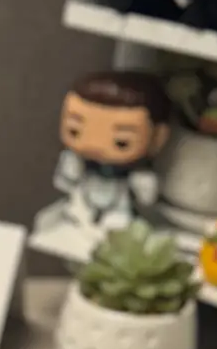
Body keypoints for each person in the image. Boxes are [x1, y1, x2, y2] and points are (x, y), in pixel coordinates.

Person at [54, 70, 172, 240]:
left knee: (117, 220)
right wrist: (70, 171)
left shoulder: (134, 174)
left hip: (119, 202)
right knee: (79, 208)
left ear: (158, 137)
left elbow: (146, 200)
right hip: (83, 196)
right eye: (74, 130)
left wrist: (143, 186)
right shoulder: (77, 161)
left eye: (121, 142)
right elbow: (64, 182)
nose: (94, 145)